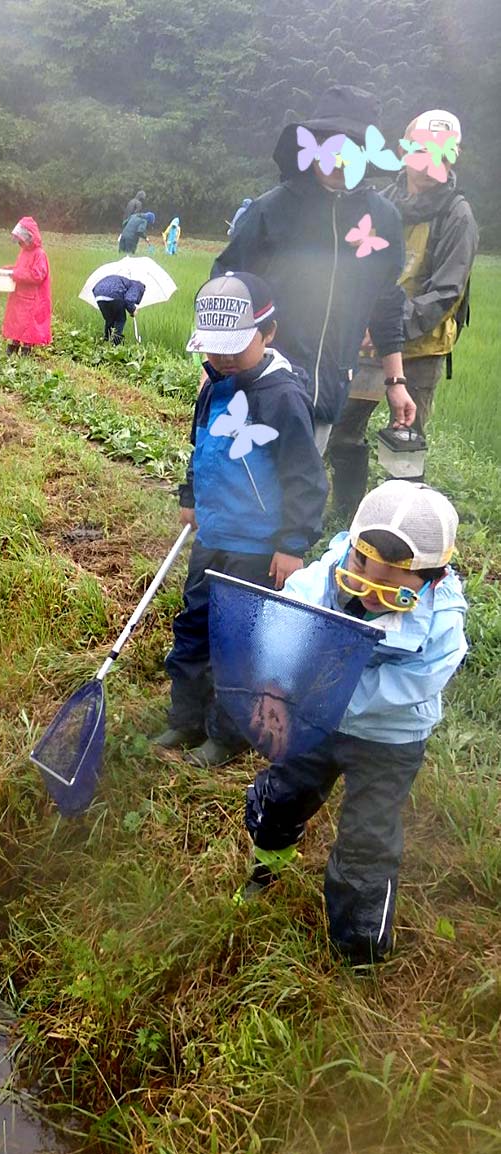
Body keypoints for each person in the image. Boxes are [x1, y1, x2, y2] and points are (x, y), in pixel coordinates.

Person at [242, 480, 466, 965]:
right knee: (284, 796)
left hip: (388, 739)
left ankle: (357, 947)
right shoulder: (327, 573)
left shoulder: (443, 622)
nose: (366, 591)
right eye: (360, 569)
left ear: (433, 579)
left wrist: (320, 689)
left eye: (390, 586)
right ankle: (267, 866)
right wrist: (277, 682)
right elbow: (288, 619)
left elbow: (407, 688)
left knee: (368, 839)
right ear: (353, 544)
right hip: (318, 722)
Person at [154, 272, 327, 768]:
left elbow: (306, 480)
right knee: (193, 626)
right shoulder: (213, 387)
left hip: (257, 546)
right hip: (213, 533)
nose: (224, 358)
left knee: (238, 644)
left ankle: (224, 735)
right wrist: (191, 494)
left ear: (268, 333)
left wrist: (292, 544)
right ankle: (183, 718)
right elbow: (201, 447)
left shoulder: (283, 398)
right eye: (215, 349)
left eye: (235, 347)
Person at [213, 86, 414, 447]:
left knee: (299, 494)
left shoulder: (382, 219)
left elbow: (386, 300)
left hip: (327, 390)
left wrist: (395, 382)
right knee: (244, 490)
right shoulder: (272, 210)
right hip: (257, 385)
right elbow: (226, 286)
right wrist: (213, 367)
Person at [327, 110, 478, 520]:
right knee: (343, 430)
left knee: (405, 444)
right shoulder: (382, 202)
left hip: (420, 347)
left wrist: (388, 329)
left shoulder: (457, 215)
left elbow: (446, 289)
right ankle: (347, 516)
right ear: (403, 150)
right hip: (368, 339)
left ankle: (396, 532)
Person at [0, 218, 51, 355]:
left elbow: (37, 275)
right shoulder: (24, 252)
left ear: (29, 237)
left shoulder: (39, 254)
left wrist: (15, 273)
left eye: (21, 238)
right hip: (19, 294)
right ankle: (14, 344)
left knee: (28, 323)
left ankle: (26, 348)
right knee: (17, 320)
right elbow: (21, 268)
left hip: (32, 297)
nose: (19, 242)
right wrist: (10, 269)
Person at [91, 274, 145, 343]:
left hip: (99, 295)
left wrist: (130, 309)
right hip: (114, 294)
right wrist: (133, 310)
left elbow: (125, 299)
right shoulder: (138, 286)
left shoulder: (127, 283)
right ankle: (115, 344)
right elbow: (128, 300)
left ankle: (106, 341)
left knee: (109, 320)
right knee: (120, 319)